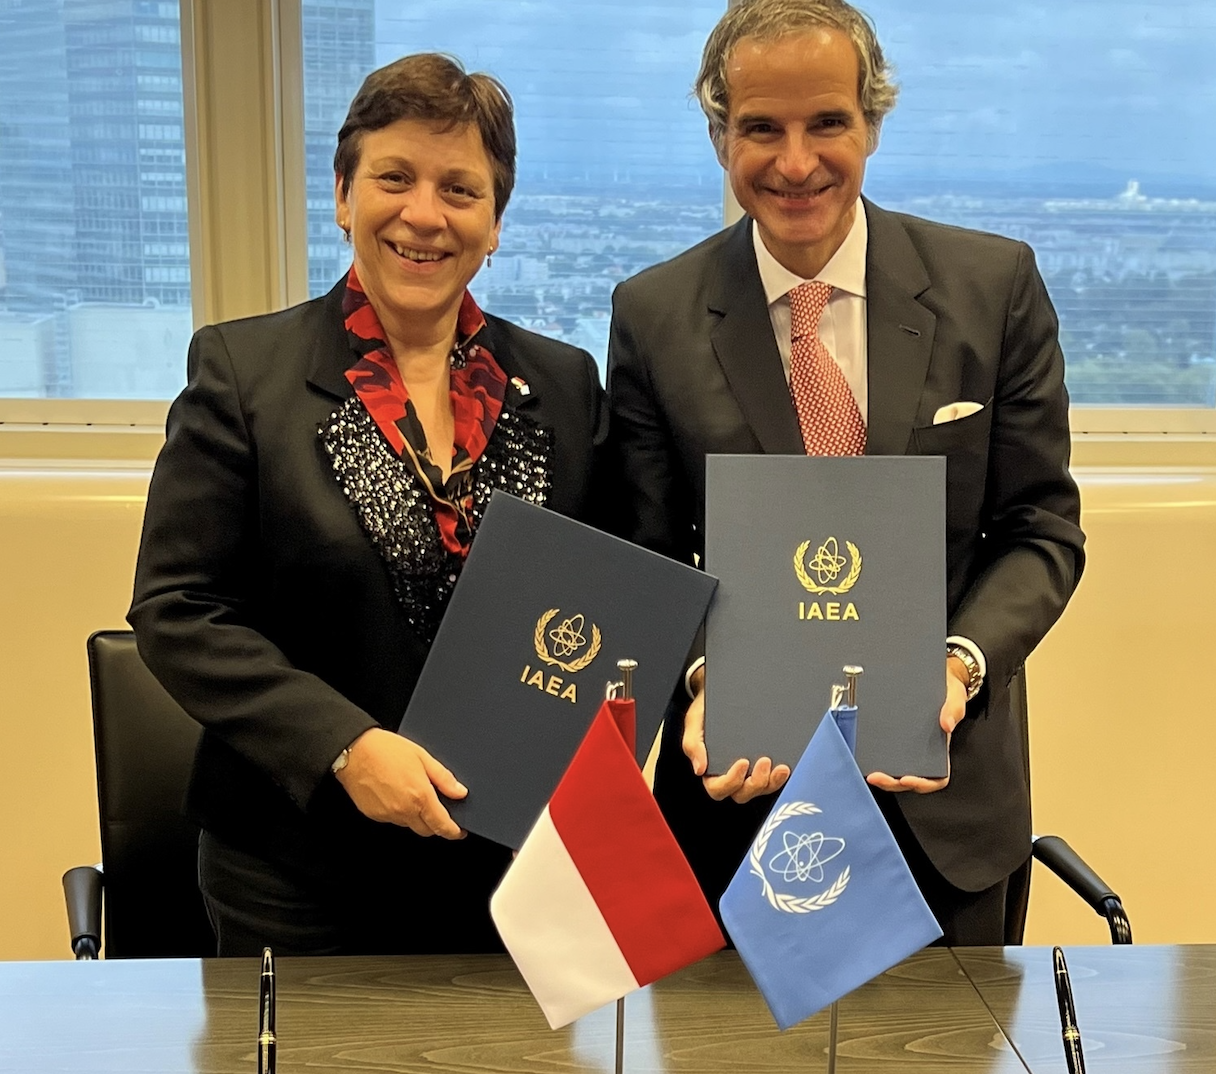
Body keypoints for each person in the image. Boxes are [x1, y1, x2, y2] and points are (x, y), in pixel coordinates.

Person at [606, 0, 1085, 945]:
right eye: (761, 128)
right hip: (739, 811)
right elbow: (645, 553)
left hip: (945, 805)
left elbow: (1041, 532)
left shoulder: (992, 289)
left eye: (827, 121)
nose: (796, 164)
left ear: (872, 122)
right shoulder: (654, 314)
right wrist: (705, 677)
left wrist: (958, 666)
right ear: (719, 135)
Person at [129, 54, 607, 956]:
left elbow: (604, 595)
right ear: (344, 195)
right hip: (299, 869)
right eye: (395, 178)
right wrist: (344, 744)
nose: (424, 214)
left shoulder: (564, 386)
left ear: (495, 222)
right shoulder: (244, 375)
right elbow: (177, 610)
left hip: (510, 872)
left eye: (459, 189)